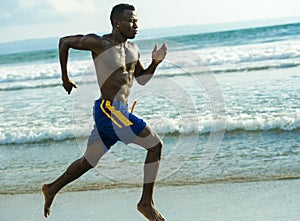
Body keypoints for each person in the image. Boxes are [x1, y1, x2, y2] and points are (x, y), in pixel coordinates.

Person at [42, 3, 167, 221]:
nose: (136, 24)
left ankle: (51, 188)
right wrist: (65, 77)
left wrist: (155, 63)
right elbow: (64, 42)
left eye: (137, 20)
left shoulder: (134, 49)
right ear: (117, 23)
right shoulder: (100, 43)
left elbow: (141, 79)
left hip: (116, 111)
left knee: (89, 161)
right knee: (155, 145)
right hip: (109, 111)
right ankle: (146, 203)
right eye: (131, 20)